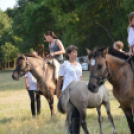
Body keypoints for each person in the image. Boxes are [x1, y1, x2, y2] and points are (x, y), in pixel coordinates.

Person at [57, 45, 82, 134]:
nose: (76, 54)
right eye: (73, 52)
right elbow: (59, 79)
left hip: (78, 93)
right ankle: (70, 131)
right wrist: (58, 92)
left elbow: (80, 78)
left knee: (78, 114)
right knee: (71, 114)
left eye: (76, 52)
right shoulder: (64, 65)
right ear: (68, 54)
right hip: (68, 93)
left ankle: (76, 132)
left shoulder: (79, 65)